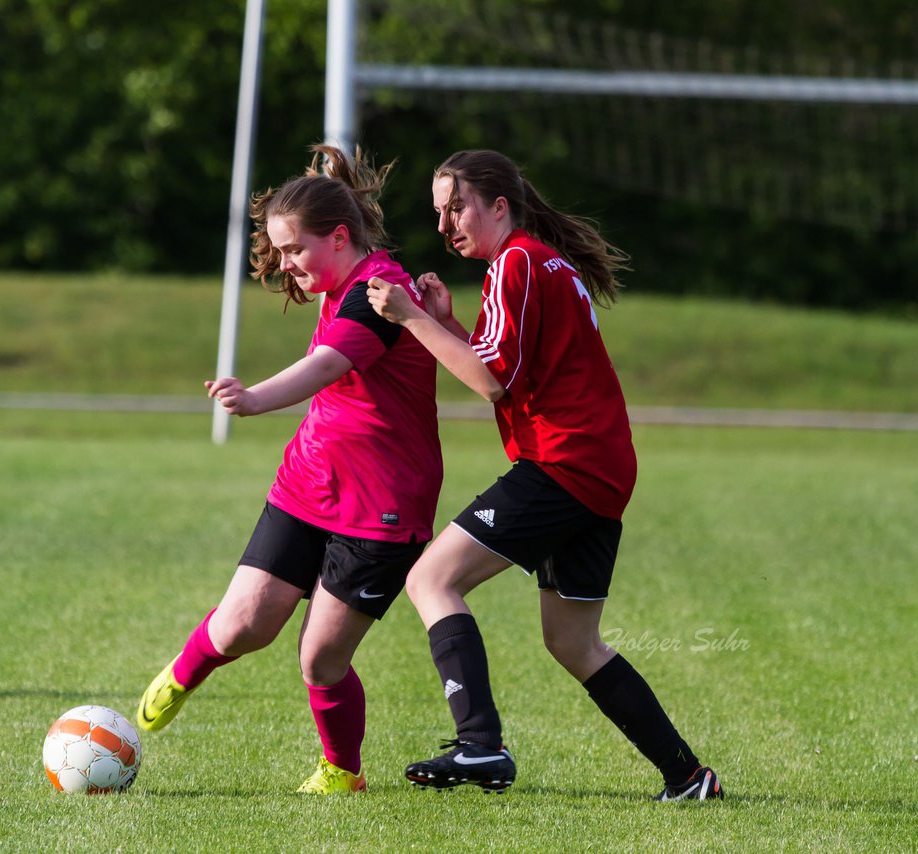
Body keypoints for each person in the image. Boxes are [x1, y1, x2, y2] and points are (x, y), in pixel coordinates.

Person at [367, 149, 723, 801]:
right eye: (438, 213)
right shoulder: (536, 261)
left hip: (567, 463)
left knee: (430, 576)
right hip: (599, 468)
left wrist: (413, 318)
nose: (446, 226)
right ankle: (688, 776)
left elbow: (493, 382)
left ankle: (480, 746)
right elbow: (510, 367)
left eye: (457, 207)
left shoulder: (519, 262)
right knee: (573, 642)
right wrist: (445, 321)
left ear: (499, 206)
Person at [136, 144, 443, 795]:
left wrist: (253, 399)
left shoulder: (381, 296)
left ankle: (341, 773)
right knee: (245, 622)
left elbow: (324, 368)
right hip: (308, 482)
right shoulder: (336, 284)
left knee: (320, 658)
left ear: (338, 238)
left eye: (293, 250)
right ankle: (184, 671)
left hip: (381, 507)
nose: (284, 265)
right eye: (278, 251)